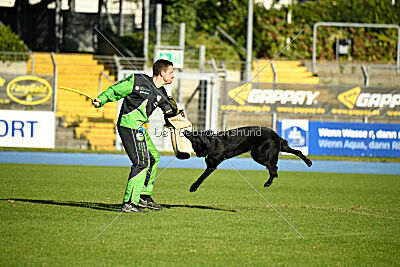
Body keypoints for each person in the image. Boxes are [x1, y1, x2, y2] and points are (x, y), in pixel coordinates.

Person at [93, 59, 178, 213]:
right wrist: (102, 99)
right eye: (171, 72)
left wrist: (180, 123)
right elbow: (116, 90)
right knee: (142, 162)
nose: (174, 75)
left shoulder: (163, 93)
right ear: (161, 73)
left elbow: (171, 113)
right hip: (128, 125)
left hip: (140, 128)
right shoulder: (137, 80)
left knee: (153, 158)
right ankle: (130, 202)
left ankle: (144, 196)